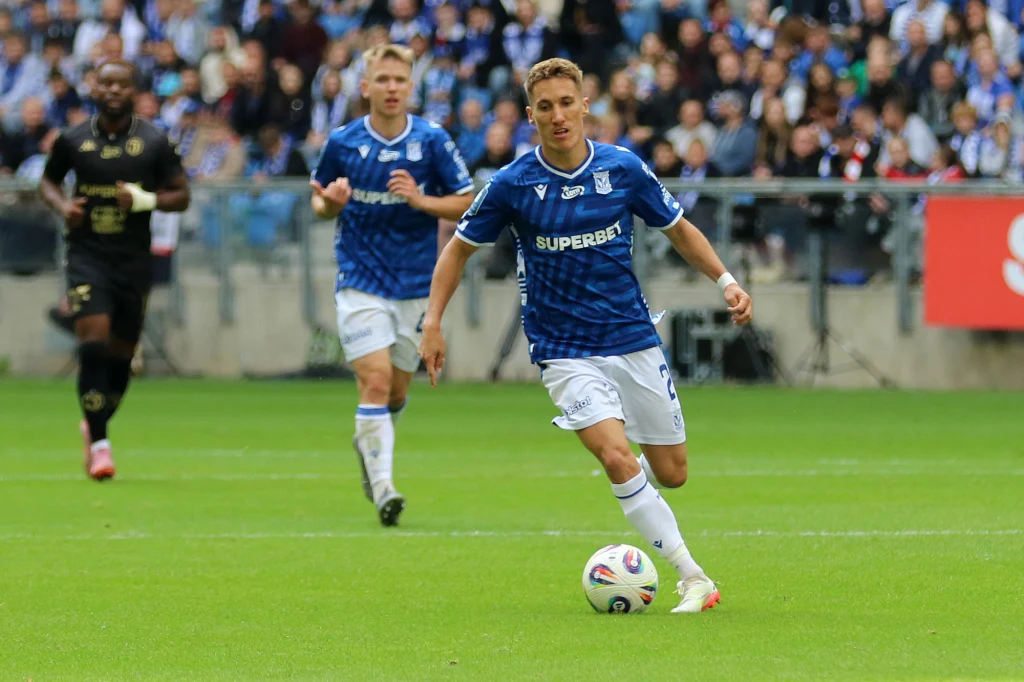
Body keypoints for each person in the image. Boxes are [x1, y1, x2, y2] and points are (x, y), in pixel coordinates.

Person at [418, 58, 753, 614]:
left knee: (672, 474)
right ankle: (693, 577)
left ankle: (637, 481)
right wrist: (432, 322)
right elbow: (457, 251)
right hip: (563, 350)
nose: (558, 116)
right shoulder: (512, 183)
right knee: (617, 458)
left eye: (566, 103)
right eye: (545, 107)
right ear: (531, 116)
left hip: (631, 336)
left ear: (584, 105)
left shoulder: (622, 168)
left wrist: (727, 281)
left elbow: (679, 230)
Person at [309, 44, 474, 526]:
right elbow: (318, 202)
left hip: (417, 285)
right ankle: (384, 488)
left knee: (397, 392)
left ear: (411, 87)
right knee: (376, 381)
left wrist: (422, 202)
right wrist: (331, 203)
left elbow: (467, 201)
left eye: (400, 80)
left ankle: (369, 448)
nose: (391, 88)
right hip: (360, 280)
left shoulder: (432, 139)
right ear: (366, 87)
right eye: (382, 79)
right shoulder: (343, 141)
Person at [38, 59, 190, 480]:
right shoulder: (72, 139)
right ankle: (101, 448)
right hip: (87, 256)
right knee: (93, 343)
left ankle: (94, 424)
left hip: (133, 261)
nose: (113, 90)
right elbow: (48, 182)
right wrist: (62, 206)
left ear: (134, 91)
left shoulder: (155, 141)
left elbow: (182, 195)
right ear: (94, 88)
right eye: (106, 83)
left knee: (122, 359)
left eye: (121, 84)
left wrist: (145, 200)